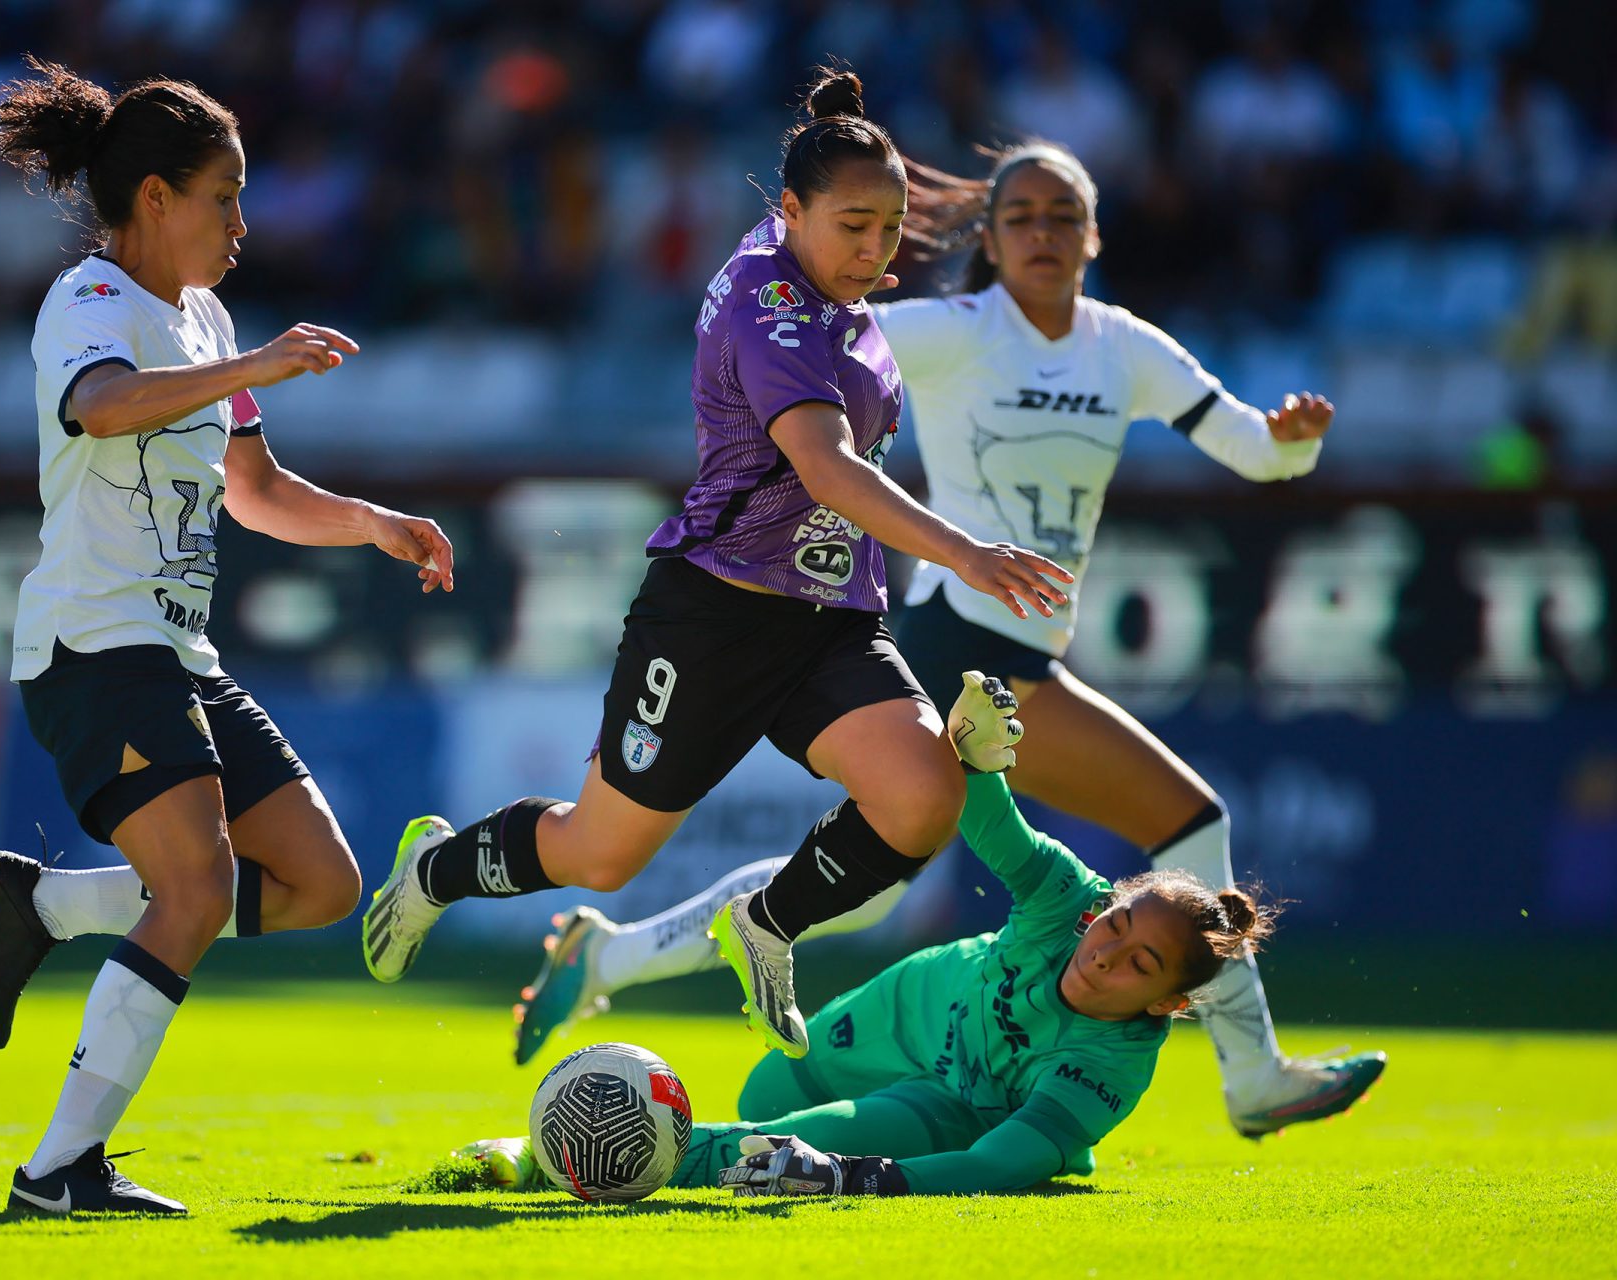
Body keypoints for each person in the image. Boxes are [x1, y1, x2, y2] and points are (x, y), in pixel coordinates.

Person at [510, 139, 1385, 1140]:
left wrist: (1296, 437)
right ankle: (1255, 1074)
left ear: (1094, 236)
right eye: (1020, 217)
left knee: (863, 892)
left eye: (1064, 217)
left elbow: (1253, 449)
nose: (1043, 234)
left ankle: (608, 953)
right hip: (966, 639)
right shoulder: (953, 330)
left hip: (1023, 649)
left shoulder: (1126, 346)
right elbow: (788, 350)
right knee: (1190, 824)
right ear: (992, 239)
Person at [359, 69, 1072, 1061]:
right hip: (713, 617)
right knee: (598, 853)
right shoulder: (770, 303)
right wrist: (968, 554)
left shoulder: (826, 285)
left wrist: (850, 261)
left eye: (889, 228)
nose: (874, 249)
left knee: (920, 794)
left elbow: (838, 277)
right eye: (852, 225)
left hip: (830, 623)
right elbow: (824, 467)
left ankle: (765, 924)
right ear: (788, 212)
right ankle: (435, 870)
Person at [0, 57, 455, 1216]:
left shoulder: (206, 317)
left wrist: (375, 522)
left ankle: (49, 906)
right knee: (195, 887)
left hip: (179, 654)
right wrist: (258, 361)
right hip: (95, 642)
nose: (242, 222)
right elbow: (103, 404)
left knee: (325, 882)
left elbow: (256, 488)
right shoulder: (89, 301)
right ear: (154, 199)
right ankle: (57, 1170)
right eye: (224, 196)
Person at [460, 674, 1325, 1197]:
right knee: (768, 1094)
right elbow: (996, 831)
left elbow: (993, 1163)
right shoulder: (1073, 899)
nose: (1105, 952)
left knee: (779, 1147)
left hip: (947, 1103)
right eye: (1120, 924)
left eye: (1138, 963)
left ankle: (548, 1156)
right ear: (1107, 904)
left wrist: (859, 1176)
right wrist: (975, 758)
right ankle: (610, 974)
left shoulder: (1110, 1067)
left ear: (1168, 1003)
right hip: (908, 1007)